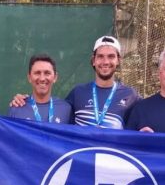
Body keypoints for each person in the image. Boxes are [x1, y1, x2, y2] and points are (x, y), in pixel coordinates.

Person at [11, 35, 141, 128]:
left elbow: (142, 125)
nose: (105, 62)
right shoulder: (78, 93)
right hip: (82, 158)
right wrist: (21, 99)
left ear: (118, 60)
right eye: (100, 56)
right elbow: (51, 109)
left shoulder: (131, 95)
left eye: (111, 56)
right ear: (93, 61)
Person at [7, 54, 72, 123]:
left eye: (47, 73)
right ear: (29, 77)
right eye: (37, 73)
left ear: (55, 77)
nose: (42, 78)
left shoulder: (66, 109)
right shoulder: (16, 109)